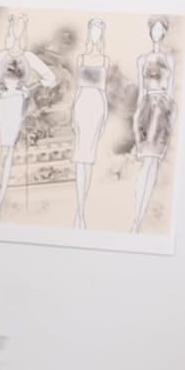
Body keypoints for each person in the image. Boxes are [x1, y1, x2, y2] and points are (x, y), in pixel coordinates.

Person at [0, 12, 56, 217]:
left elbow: (50, 78)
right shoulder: (1, 56)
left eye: (17, 34)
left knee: (8, 150)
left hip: (17, 103)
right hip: (4, 102)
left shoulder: (28, 57)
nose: (13, 38)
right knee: (3, 149)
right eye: (11, 33)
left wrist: (31, 87)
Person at [131, 16, 176, 232]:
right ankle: (137, 217)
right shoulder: (142, 59)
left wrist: (172, 117)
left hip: (163, 110)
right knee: (146, 163)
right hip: (147, 108)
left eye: (160, 29)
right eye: (154, 29)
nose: (157, 33)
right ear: (150, 32)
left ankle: (139, 219)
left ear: (165, 32)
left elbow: (171, 92)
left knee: (153, 163)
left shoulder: (169, 59)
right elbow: (141, 91)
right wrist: (136, 117)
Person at [70, 17, 110, 229]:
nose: (95, 34)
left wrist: (105, 117)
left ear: (101, 34)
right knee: (80, 158)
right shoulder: (81, 58)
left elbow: (103, 92)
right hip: (82, 104)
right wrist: (72, 113)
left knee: (90, 158)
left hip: (97, 107)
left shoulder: (105, 60)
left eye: (98, 31)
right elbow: (77, 89)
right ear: (89, 33)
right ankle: (80, 212)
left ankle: (81, 212)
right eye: (92, 30)